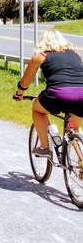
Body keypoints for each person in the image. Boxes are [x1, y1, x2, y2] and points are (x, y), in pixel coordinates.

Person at [13, 29, 83, 158]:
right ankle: (80, 158)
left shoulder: (41, 56)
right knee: (73, 127)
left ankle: (44, 148)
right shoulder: (75, 55)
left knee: (37, 109)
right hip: (81, 97)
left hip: (57, 95)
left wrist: (19, 93)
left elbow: (25, 81)